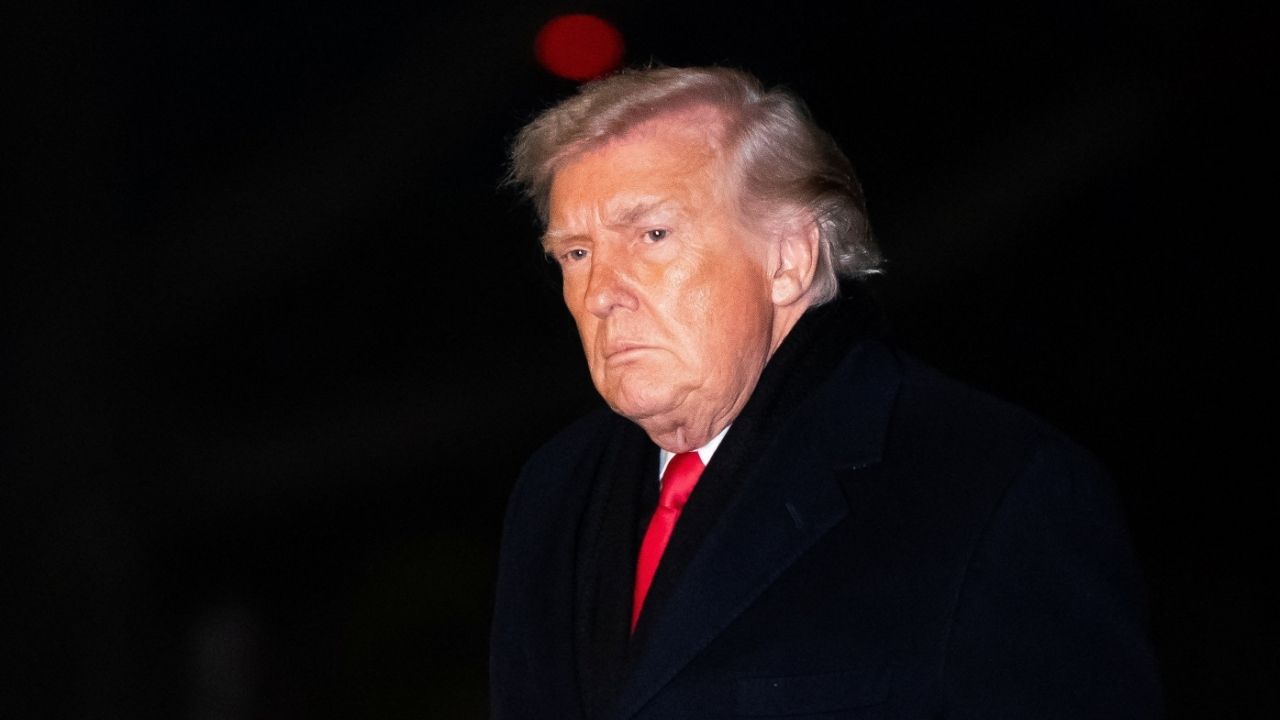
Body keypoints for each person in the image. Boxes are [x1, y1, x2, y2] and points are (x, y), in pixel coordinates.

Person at [491, 66, 1162, 720]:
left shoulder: (991, 484)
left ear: (790, 258)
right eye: (575, 254)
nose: (601, 292)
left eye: (653, 235)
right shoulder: (555, 491)